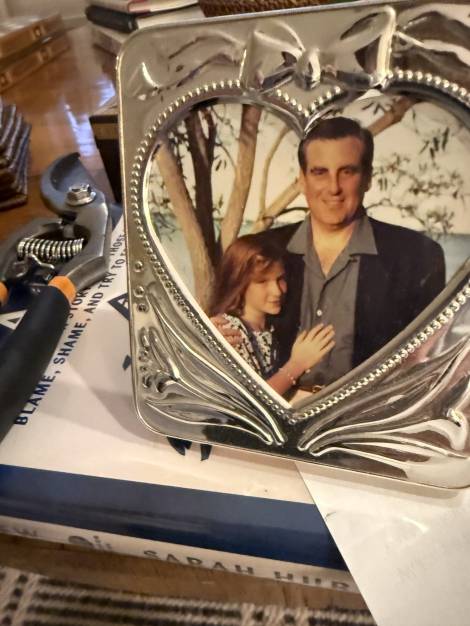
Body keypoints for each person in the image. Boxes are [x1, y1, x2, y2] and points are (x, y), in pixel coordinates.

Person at [268, 116, 446, 390]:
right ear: (302, 180)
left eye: (347, 172)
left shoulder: (418, 258)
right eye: (320, 172)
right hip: (277, 407)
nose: (334, 188)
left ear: (367, 179)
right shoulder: (263, 251)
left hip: (367, 412)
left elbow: (429, 363)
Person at [210, 234, 335, 395]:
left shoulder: (267, 328)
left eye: (280, 279)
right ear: (239, 283)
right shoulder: (230, 331)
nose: (277, 291)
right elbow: (253, 398)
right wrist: (297, 365)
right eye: (262, 282)